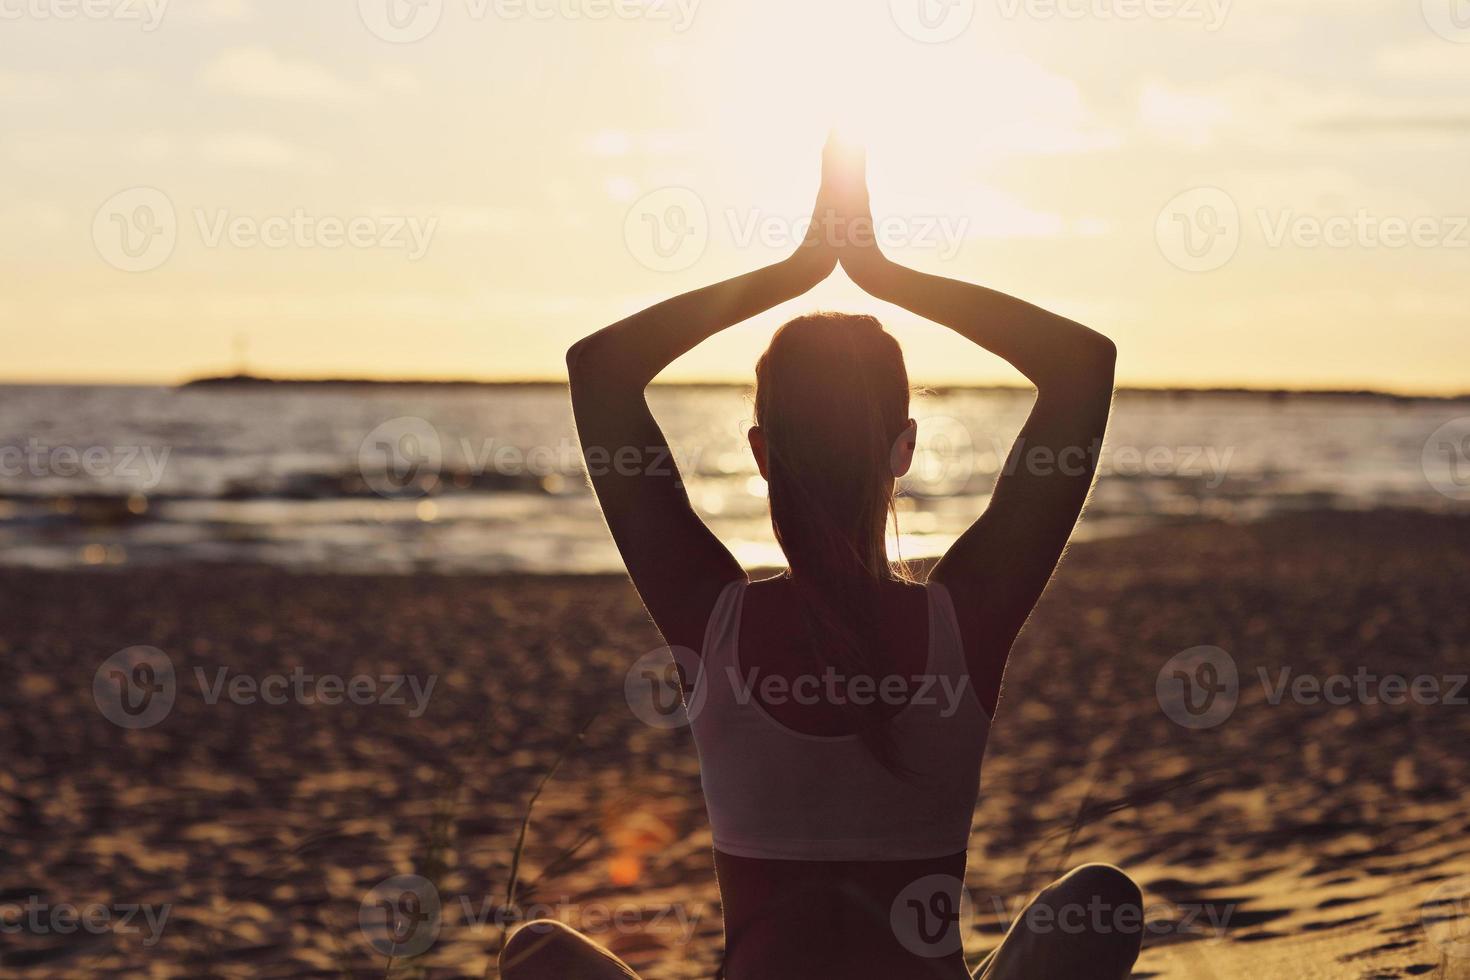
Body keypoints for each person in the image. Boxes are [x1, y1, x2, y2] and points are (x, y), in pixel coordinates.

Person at [504, 137, 1138, 979]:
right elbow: (1082, 367)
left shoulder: (714, 619)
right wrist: (881, 272)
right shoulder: (964, 622)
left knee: (537, 951)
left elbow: (599, 370)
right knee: (1099, 899)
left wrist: (796, 268)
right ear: (903, 448)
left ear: (762, 452)